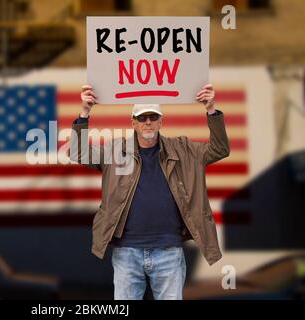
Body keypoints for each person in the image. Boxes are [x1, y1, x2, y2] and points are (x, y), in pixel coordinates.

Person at [69, 84, 230, 300]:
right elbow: (78, 152)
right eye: (142, 118)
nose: (148, 122)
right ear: (133, 122)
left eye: (153, 117)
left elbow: (219, 149)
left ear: (161, 122)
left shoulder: (183, 150)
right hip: (127, 252)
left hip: (169, 251)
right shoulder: (115, 151)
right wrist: (85, 112)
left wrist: (210, 109)